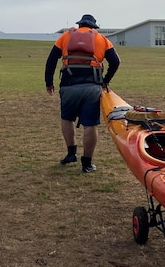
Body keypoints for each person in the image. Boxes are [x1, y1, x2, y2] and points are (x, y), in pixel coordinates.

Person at [44, 14, 120, 173]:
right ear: (94, 27)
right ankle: (87, 163)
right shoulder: (101, 39)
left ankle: (71, 153)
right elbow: (115, 61)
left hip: (68, 85)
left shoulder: (65, 37)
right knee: (90, 124)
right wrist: (106, 80)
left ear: (79, 25)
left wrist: (49, 82)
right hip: (92, 86)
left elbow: (51, 60)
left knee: (66, 118)